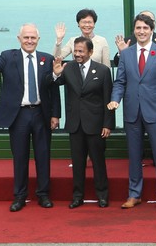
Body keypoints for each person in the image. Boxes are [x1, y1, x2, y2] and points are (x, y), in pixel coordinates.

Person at [0, 24, 61, 212]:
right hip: (19, 115)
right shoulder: (8, 57)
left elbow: (53, 90)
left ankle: (43, 195)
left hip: (41, 113)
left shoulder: (47, 58)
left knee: (43, 156)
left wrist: (55, 115)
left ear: (38, 39)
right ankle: (20, 196)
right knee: (20, 157)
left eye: (33, 38)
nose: (29, 41)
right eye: (26, 37)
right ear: (19, 39)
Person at [109, 13, 156, 210]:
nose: (141, 31)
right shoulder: (126, 54)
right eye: (138, 28)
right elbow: (120, 81)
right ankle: (134, 194)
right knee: (134, 156)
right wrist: (115, 99)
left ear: (152, 30)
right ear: (134, 30)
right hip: (132, 111)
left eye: (145, 28)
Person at [51, 36, 115, 209]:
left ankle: (102, 196)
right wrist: (56, 74)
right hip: (75, 124)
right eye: (75, 51)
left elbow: (108, 99)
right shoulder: (69, 68)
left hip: (96, 124)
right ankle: (77, 196)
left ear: (90, 52)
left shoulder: (102, 71)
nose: (77, 54)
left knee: (98, 162)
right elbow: (54, 83)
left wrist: (108, 124)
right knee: (78, 163)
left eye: (81, 51)